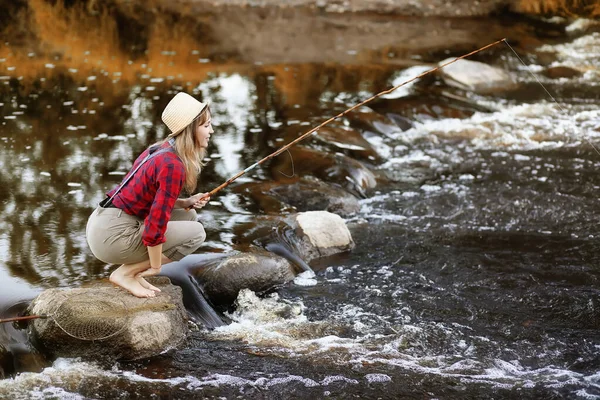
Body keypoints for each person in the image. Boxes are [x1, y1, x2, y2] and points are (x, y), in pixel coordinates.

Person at [86, 92, 214, 298]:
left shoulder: (159, 149)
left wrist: (186, 202)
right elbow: (156, 222)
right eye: (206, 126)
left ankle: (132, 272)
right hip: (112, 235)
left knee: (189, 216)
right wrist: (155, 266)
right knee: (196, 233)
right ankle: (125, 274)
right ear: (191, 129)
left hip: (103, 222)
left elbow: (150, 201)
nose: (211, 131)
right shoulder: (173, 165)